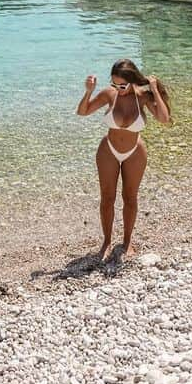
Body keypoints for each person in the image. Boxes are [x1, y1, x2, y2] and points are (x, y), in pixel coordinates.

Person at [76, 58, 171, 264]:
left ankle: (127, 242)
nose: (117, 88)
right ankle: (107, 242)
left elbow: (164, 119)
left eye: (122, 85)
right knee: (107, 197)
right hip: (108, 150)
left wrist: (154, 90)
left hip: (135, 151)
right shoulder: (110, 95)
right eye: (114, 84)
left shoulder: (142, 97)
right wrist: (88, 91)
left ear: (132, 81)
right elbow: (82, 112)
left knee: (130, 197)